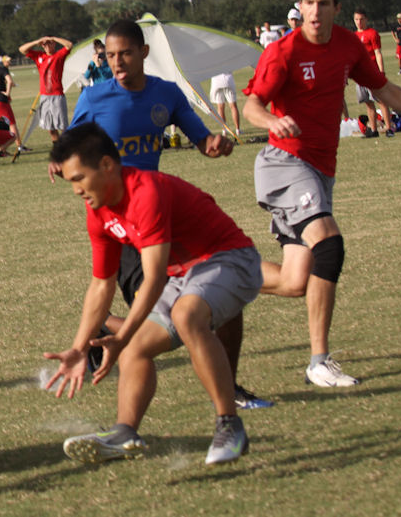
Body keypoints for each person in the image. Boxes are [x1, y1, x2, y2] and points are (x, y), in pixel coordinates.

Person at [59, 20, 266, 411]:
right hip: (124, 226)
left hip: (160, 214)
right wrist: (60, 164)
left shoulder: (166, 94)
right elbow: (71, 147)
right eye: (110, 55)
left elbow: (200, 138)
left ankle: (231, 387)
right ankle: (108, 334)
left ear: (144, 54)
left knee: (219, 304)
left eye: (125, 54)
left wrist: (214, 145)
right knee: (162, 317)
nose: (117, 62)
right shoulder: (95, 97)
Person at [243, 0, 401, 387]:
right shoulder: (283, 51)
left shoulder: (347, 45)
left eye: (323, 4)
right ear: (300, 7)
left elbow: (382, 88)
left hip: (321, 169)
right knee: (329, 245)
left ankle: (215, 274)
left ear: (336, 9)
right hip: (284, 163)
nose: (314, 11)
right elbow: (252, 105)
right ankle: (318, 362)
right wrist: (272, 120)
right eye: (308, 3)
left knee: (295, 281)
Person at [44, 123, 262, 466]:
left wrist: (121, 335)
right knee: (136, 348)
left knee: (186, 316)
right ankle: (125, 432)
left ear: (106, 165)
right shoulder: (98, 210)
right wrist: (79, 347)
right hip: (183, 275)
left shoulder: (146, 192)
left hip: (230, 259)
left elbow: (155, 277)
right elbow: (101, 284)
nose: (76, 190)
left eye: (79, 178)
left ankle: (229, 426)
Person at [18, 35, 73, 141]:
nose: (47, 46)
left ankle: (68, 147)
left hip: (57, 95)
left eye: (49, 43)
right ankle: (57, 147)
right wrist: (37, 41)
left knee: (63, 127)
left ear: (53, 44)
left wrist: (54, 38)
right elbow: (22, 49)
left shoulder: (59, 55)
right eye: (44, 44)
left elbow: (69, 45)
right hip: (44, 96)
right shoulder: (39, 56)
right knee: (50, 128)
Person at [353, 8, 394, 137]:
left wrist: (381, 71)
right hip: (360, 75)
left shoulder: (372, 33)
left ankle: (389, 128)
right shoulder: (354, 36)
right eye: (356, 19)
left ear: (366, 19)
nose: (359, 22)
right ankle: (373, 130)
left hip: (372, 73)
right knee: (368, 103)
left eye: (361, 19)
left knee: (381, 101)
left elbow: (378, 53)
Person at [209, 73, 241, 137]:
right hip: (228, 80)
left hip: (216, 82)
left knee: (220, 107)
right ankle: (237, 130)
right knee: (233, 106)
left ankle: (224, 130)